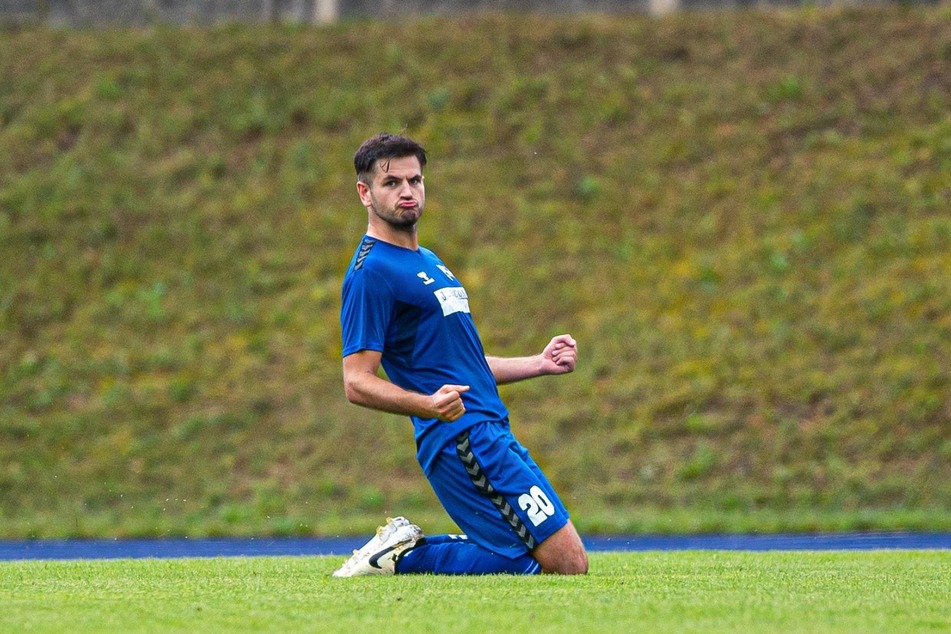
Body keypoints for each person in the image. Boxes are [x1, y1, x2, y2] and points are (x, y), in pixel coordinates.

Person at [334, 132, 588, 577]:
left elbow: (463, 364)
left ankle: (402, 550)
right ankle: (410, 556)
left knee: (536, 560)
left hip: (490, 425)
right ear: (365, 193)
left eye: (415, 180)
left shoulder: (429, 260)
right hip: (461, 438)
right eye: (392, 183)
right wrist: (427, 405)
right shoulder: (371, 273)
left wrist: (539, 363)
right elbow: (357, 381)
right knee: (566, 564)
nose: (407, 191)